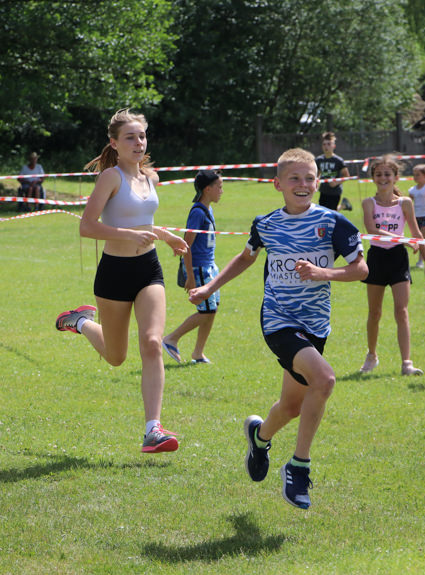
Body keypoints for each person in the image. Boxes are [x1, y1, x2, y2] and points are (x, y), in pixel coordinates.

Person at [190, 148, 368, 510]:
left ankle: (260, 436)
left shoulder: (334, 223)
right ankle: (298, 468)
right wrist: (210, 288)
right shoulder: (266, 223)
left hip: (316, 326)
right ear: (278, 185)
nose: (303, 185)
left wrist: (324, 273)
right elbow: (245, 257)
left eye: (309, 178)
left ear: (318, 182)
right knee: (325, 379)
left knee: (290, 407)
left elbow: (361, 270)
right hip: (278, 321)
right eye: (295, 179)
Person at [54, 109, 188, 453]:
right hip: (114, 273)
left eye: (142, 136)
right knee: (116, 357)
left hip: (148, 270)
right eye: (130, 137)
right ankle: (81, 321)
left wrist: (168, 236)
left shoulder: (151, 177)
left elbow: (145, 222)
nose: (138, 142)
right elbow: (87, 226)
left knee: (153, 342)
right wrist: (129, 234)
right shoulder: (110, 178)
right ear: (114, 143)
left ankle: (153, 429)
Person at [359, 155, 425, 376]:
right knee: (374, 313)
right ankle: (371, 356)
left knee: (401, 312)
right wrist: (402, 239)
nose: (383, 178)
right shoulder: (368, 203)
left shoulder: (405, 203)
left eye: (387, 174)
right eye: (379, 174)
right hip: (376, 258)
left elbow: (417, 234)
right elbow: (371, 230)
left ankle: (407, 363)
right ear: (373, 178)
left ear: (396, 177)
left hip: (398, 259)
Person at [162, 170, 223, 365]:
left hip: (210, 267)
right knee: (206, 311)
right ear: (207, 189)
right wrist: (190, 275)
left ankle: (198, 353)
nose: (222, 191)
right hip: (199, 269)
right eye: (219, 187)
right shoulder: (197, 212)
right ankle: (171, 338)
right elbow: (185, 246)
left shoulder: (208, 209)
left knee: (212, 310)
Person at [314, 132, 352, 211]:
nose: (326, 146)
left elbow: (347, 176)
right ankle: (344, 205)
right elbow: (318, 173)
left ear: (333, 146)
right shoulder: (319, 160)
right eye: (324, 144)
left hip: (335, 191)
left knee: (332, 213)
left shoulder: (338, 160)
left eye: (328, 144)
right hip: (323, 190)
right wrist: (316, 181)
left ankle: (343, 206)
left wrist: (336, 182)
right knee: (324, 212)